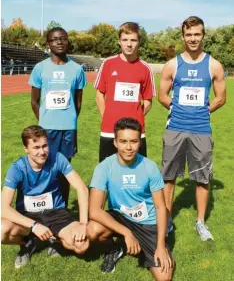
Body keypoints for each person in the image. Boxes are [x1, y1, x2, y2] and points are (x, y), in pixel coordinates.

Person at [158, 16, 226, 241]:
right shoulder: (173, 65)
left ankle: (200, 222)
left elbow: (221, 98)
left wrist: (203, 111)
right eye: (189, 34)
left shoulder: (214, 65)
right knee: (168, 177)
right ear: (183, 36)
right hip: (175, 127)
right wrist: (177, 108)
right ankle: (166, 220)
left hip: (201, 130)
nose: (193, 38)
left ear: (203, 35)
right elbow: (162, 95)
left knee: (202, 178)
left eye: (197, 34)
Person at [87, 118, 174, 280]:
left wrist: (161, 246)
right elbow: (94, 211)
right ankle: (114, 249)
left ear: (139, 142)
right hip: (121, 218)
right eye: (123, 141)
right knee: (92, 230)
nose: (128, 147)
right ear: (115, 142)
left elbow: (161, 207)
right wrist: (127, 232)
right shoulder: (104, 167)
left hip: (148, 222)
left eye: (133, 141)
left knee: (164, 277)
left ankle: (146, 245)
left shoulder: (149, 167)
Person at [1, 125, 89, 268]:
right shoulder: (17, 168)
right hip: (28, 216)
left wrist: (83, 224)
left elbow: (82, 188)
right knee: (1, 230)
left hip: (56, 213)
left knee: (82, 245)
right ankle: (28, 244)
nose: (42, 152)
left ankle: (54, 241)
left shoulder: (57, 158)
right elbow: (3, 208)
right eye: (36, 147)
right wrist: (34, 226)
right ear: (26, 149)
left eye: (44, 146)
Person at [29, 27, 87, 206]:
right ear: (48, 44)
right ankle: (44, 207)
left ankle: (61, 209)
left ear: (68, 42)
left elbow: (77, 103)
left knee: (64, 170)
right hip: (48, 128)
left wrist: (69, 120)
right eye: (55, 39)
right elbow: (34, 101)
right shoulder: (40, 68)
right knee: (44, 168)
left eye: (63, 38)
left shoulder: (77, 70)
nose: (59, 42)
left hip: (68, 129)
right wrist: (44, 121)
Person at [94, 22, 156, 162]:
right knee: (107, 173)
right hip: (109, 131)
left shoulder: (145, 68)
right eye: (125, 40)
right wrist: (108, 116)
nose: (129, 44)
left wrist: (135, 115)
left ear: (139, 42)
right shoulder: (108, 64)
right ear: (119, 41)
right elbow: (99, 96)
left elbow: (148, 102)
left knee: (136, 174)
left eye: (133, 40)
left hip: (135, 132)